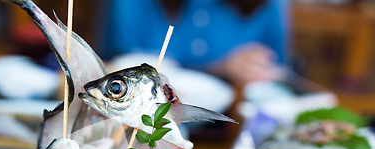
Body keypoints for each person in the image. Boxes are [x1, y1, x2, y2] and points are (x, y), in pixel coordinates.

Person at [100, 0, 290, 86]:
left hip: (234, 132)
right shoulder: (131, 4)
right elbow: (114, 72)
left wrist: (265, 72)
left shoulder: (268, 5)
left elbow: (280, 73)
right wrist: (219, 70)